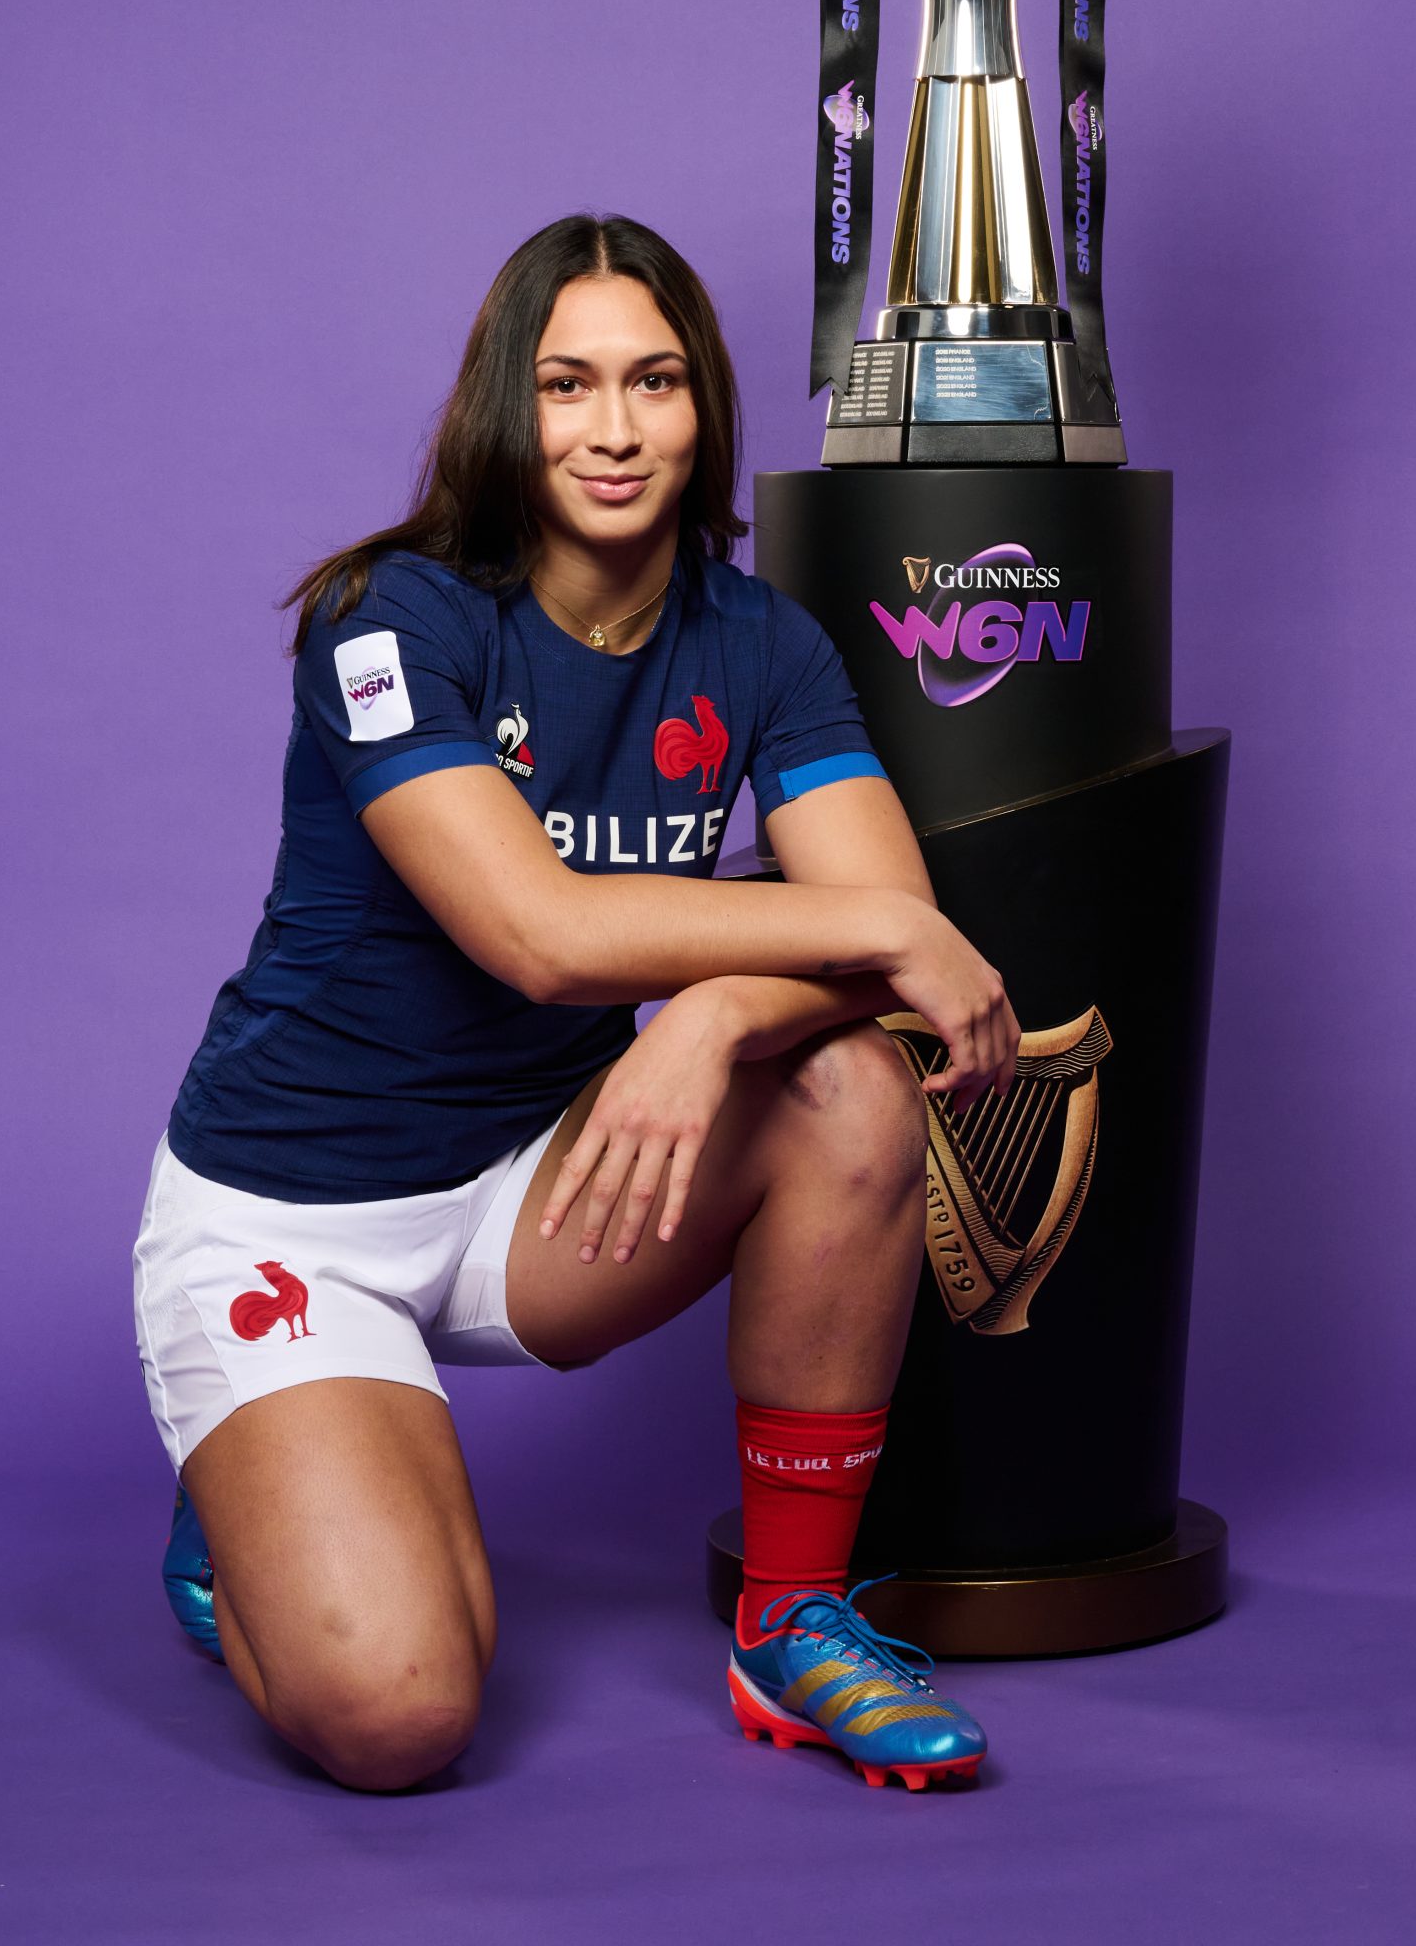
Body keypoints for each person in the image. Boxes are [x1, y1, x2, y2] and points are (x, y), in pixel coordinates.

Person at [134, 213, 1019, 1795]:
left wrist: (719, 1017)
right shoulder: (388, 619)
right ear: (505, 407)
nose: (614, 430)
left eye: (657, 382)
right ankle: (247, 1475)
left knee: (847, 1085)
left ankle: (795, 1620)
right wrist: (865, 932)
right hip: (292, 1219)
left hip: (541, 1188)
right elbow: (537, 936)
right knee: (401, 1718)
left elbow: (866, 954)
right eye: (569, 384)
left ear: (705, 408)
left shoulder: (760, 643)